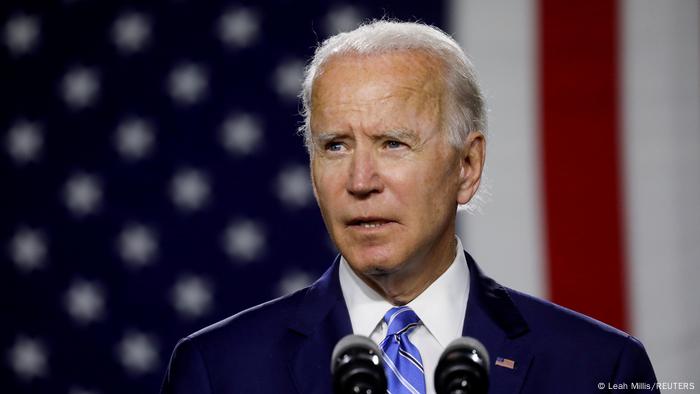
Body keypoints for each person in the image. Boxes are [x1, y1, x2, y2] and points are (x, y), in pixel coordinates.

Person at [161, 20, 658, 394]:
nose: (360, 181)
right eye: (335, 145)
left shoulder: (597, 367)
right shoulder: (219, 370)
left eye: (393, 143)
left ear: (467, 165)